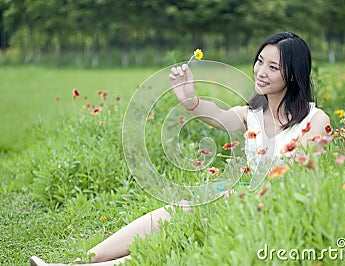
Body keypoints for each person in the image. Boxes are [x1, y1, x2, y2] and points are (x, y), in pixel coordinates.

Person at [29, 32, 329, 266]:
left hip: (271, 214)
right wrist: (188, 98)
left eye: (273, 67)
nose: (261, 71)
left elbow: (303, 179)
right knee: (177, 212)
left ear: (292, 74)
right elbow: (218, 115)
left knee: (181, 241)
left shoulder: (315, 121)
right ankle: (80, 260)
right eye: (260, 61)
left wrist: (240, 197)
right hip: (237, 201)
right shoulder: (252, 114)